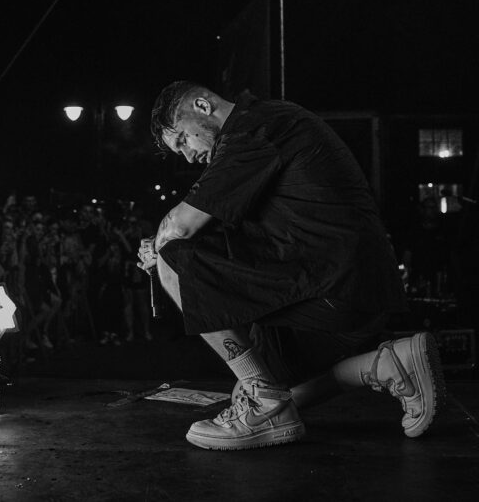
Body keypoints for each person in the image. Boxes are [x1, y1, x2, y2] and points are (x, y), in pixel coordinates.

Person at [137, 81, 443, 451]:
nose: (188, 156)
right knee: (262, 390)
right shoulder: (260, 131)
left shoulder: (253, 129)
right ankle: (386, 365)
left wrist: (159, 247)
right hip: (341, 287)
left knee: (173, 258)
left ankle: (267, 402)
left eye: (184, 139)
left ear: (203, 105)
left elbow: (182, 226)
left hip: (333, 283)